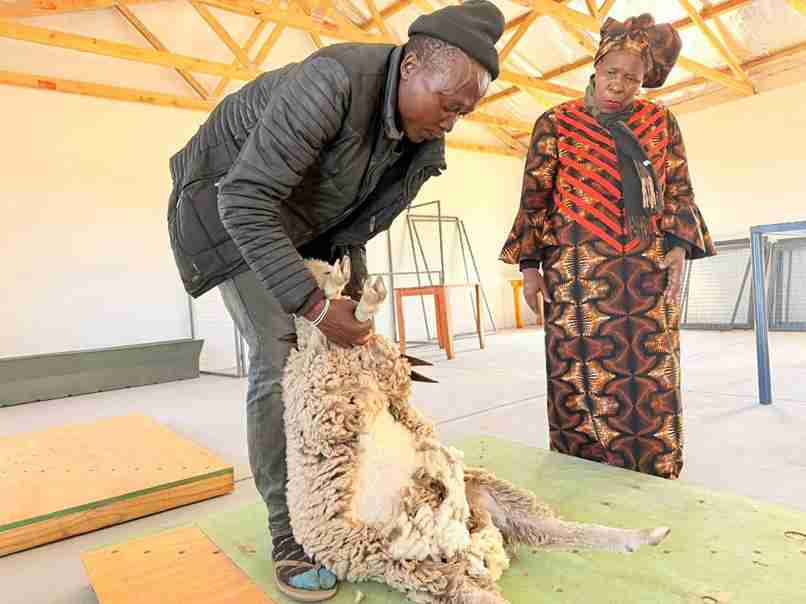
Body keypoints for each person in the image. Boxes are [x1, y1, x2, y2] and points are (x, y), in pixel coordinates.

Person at [167, 1, 504, 600]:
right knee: (283, 357)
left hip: (306, 223)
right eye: (448, 102)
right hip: (226, 210)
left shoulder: (424, 147)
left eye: (465, 111)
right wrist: (316, 308)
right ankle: (289, 531)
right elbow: (245, 199)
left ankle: (342, 500)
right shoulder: (330, 82)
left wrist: (355, 305)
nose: (453, 121)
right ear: (411, 66)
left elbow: (357, 227)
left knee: (346, 354)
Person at [499, 14, 716, 481]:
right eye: (612, 74)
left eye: (632, 79)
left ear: (644, 83)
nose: (619, 86)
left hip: (644, 272)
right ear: (596, 68)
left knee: (651, 375)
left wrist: (678, 249)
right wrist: (530, 269)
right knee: (577, 375)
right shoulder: (556, 123)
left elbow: (677, 189)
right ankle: (579, 470)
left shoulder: (661, 122)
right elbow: (535, 199)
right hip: (575, 279)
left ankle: (653, 470)